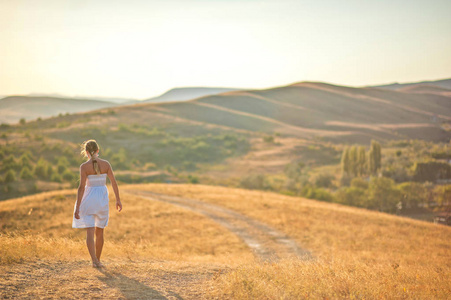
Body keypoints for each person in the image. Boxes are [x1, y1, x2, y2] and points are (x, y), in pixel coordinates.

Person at [72, 139, 122, 268]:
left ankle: (94, 260)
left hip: (88, 199)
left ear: (87, 152)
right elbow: (114, 182)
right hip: (102, 199)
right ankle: (97, 260)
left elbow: (81, 187)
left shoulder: (84, 167)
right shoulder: (106, 164)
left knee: (90, 230)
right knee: (100, 231)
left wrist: (77, 207)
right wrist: (118, 200)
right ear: (98, 151)